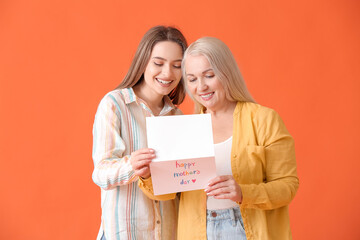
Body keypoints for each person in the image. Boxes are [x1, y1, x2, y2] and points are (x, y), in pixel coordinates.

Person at [138, 37, 299, 240]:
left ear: (227, 73)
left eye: (209, 75)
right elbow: (166, 194)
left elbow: (287, 186)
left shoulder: (264, 119)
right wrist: (147, 176)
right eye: (192, 79)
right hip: (197, 232)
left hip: (247, 229)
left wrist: (243, 193)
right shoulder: (186, 129)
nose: (201, 87)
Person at [92, 25, 188, 240]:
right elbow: (100, 173)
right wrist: (131, 166)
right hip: (125, 233)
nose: (167, 73)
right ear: (143, 60)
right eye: (158, 63)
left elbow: (180, 187)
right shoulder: (115, 104)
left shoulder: (178, 117)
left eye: (177, 65)